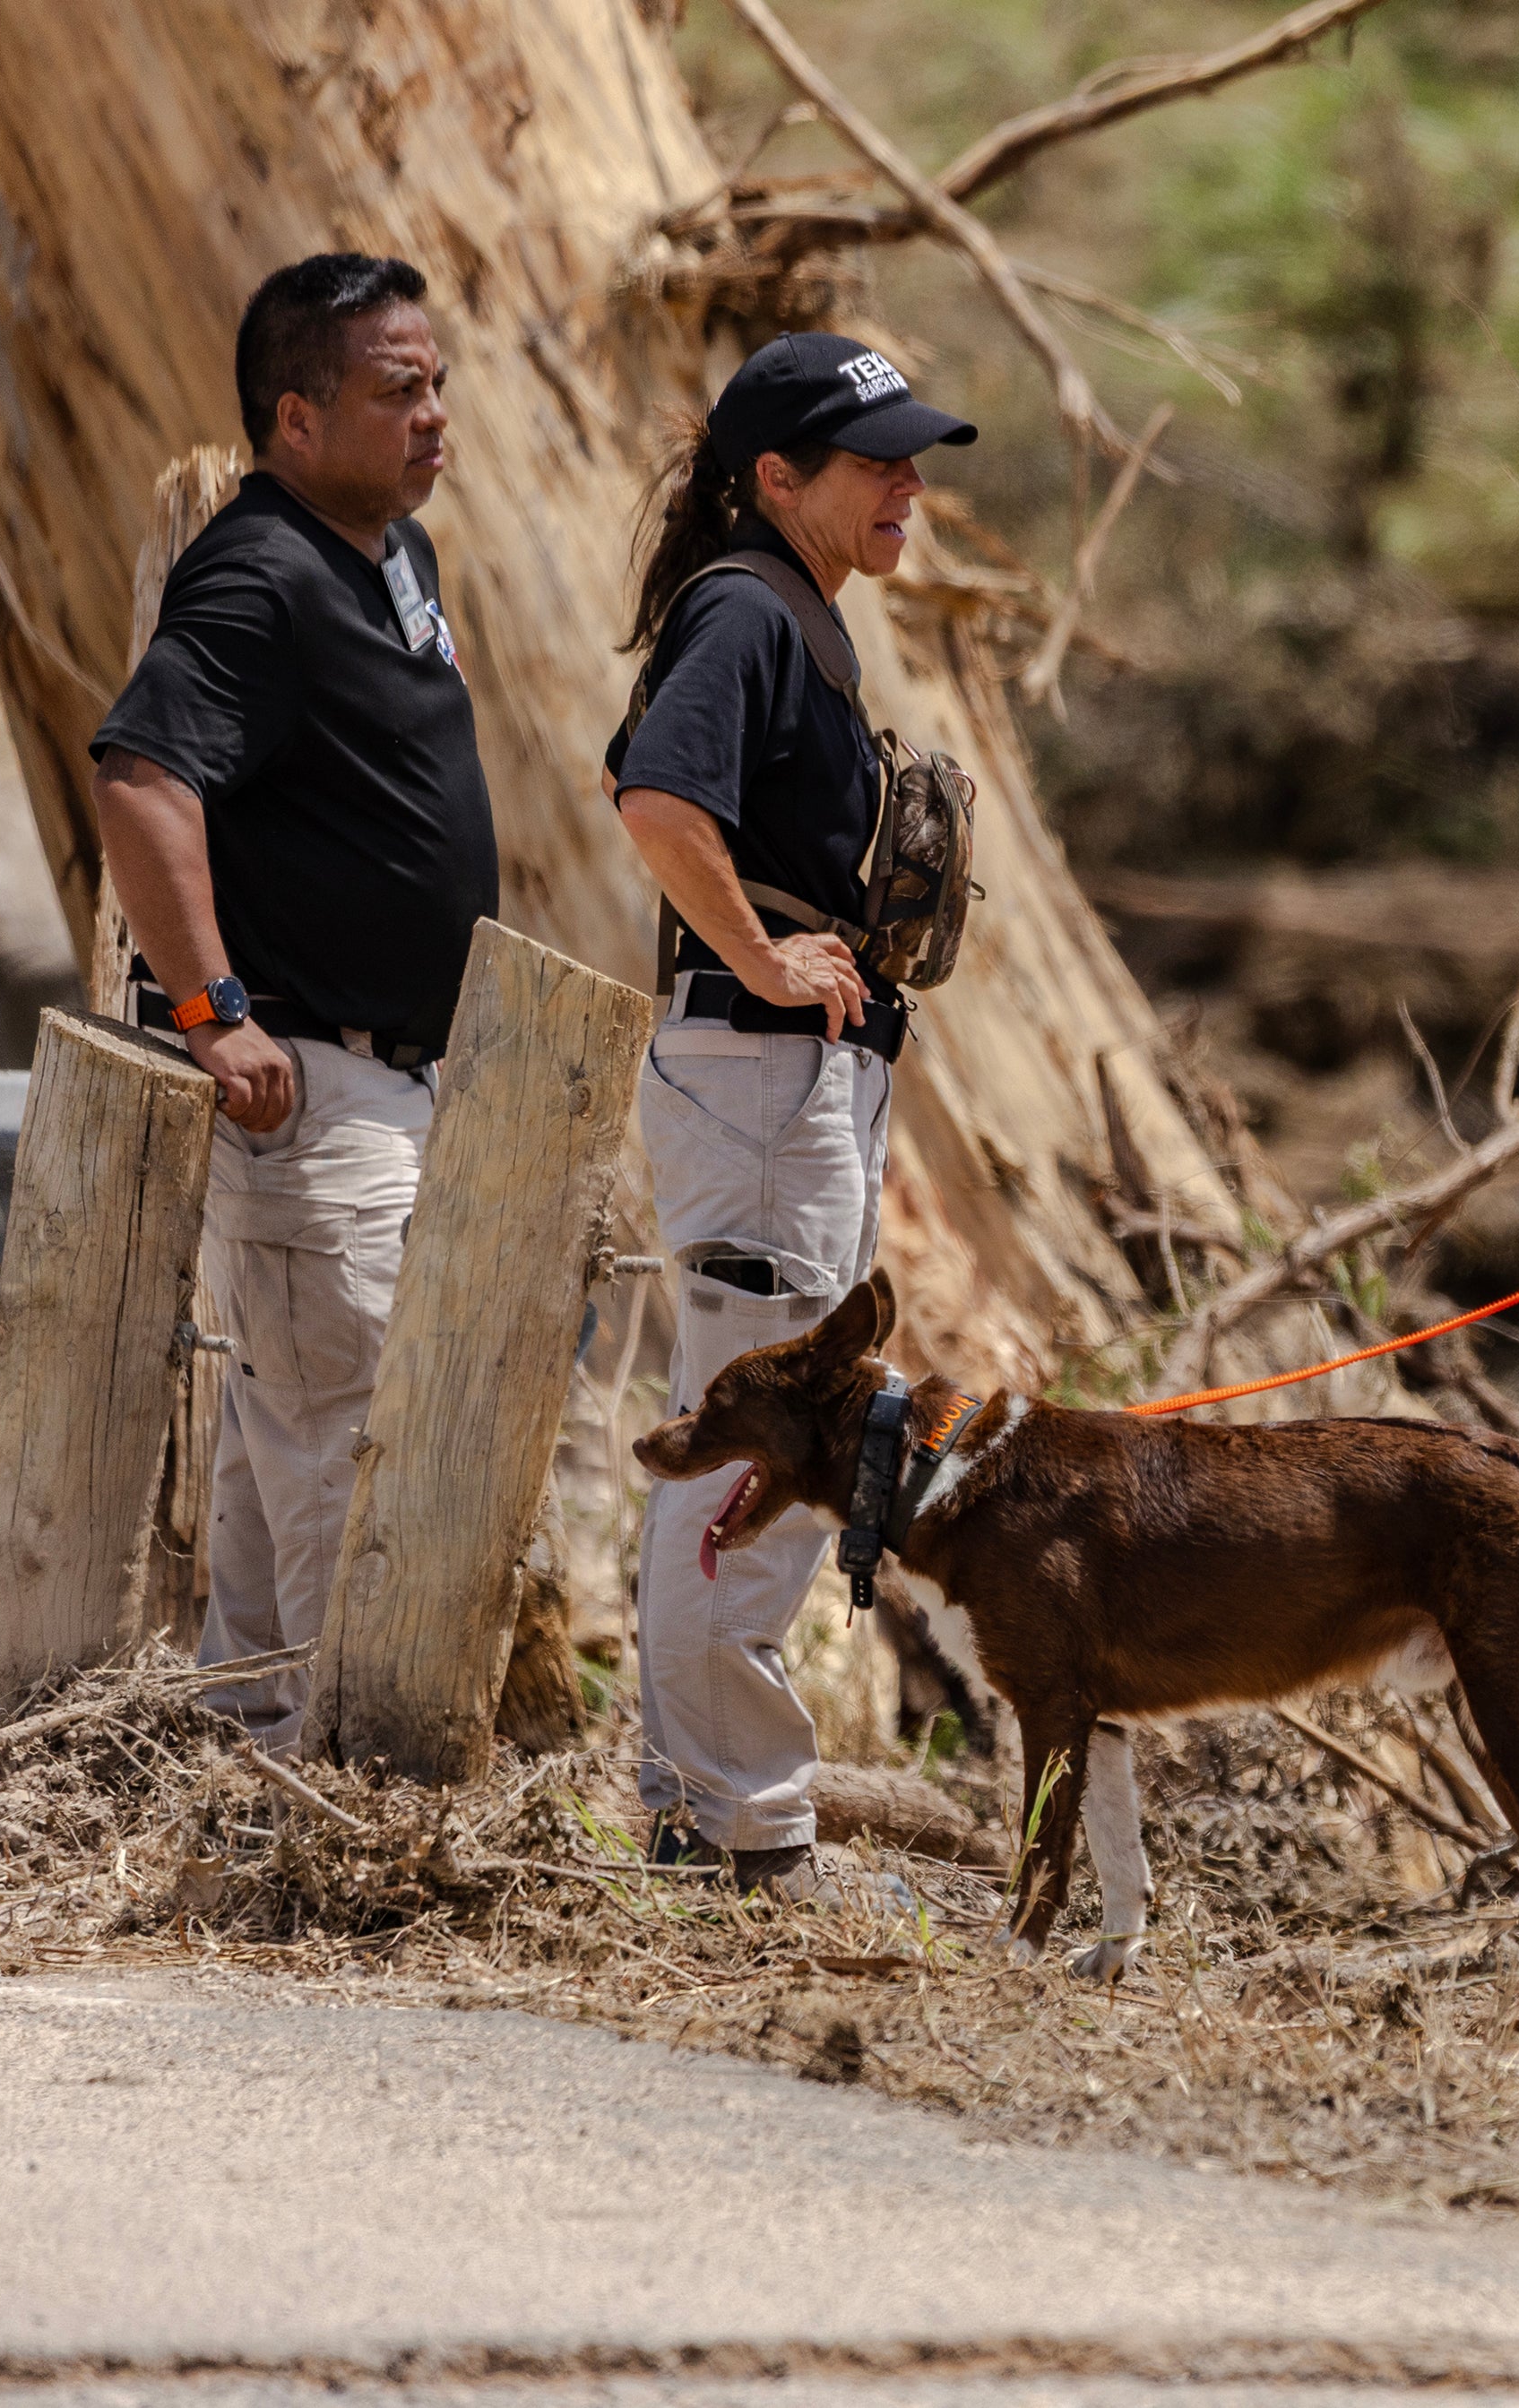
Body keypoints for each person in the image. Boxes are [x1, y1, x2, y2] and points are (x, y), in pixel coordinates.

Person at [91, 252, 496, 1750]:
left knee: (287, 1449)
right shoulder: (260, 568)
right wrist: (213, 1011)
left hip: (393, 1080)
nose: (435, 417)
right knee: (351, 1439)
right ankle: (339, 1794)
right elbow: (142, 776)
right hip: (309, 1085)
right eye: (399, 392)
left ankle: (258, 1752)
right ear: (297, 418)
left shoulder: (393, 555)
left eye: (438, 382)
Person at [607, 332, 972, 1896]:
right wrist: (757, 949)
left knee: (769, 1435)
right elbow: (653, 797)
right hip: (759, 1070)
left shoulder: (797, 613)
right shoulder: (751, 608)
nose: (907, 482)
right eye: (874, 459)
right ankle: (733, 1829)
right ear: (775, 478)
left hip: (788, 1079)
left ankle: (712, 1810)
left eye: (912, 457)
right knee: (763, 1438)